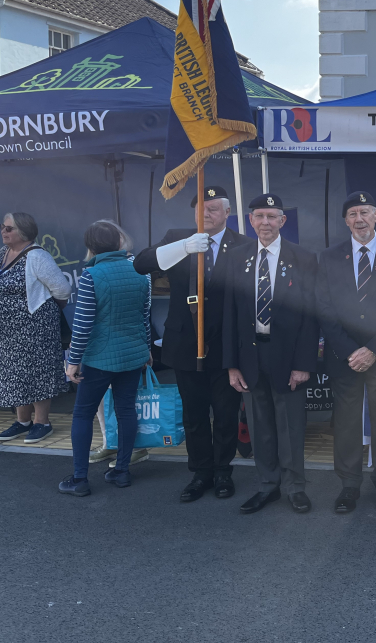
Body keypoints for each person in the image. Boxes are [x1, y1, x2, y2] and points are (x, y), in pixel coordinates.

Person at [134, 185, 253, 503]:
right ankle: (201, 473)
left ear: (228, 212)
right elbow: (142, 264)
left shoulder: (243, 245)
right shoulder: (178, 236)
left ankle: (223, 471)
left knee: (226, 415)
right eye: (201, 208)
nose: (206, 213)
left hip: (226, 347)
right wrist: (184, 247)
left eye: (213, 208)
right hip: (186, 343)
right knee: (194, 414)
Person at [222, 194, 319, 515]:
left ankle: (295, 487)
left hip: (289, 359)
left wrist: (304, 364)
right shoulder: (236, 258)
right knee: (260, 425)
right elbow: (229, 315)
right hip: (250, 358)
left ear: (282, 221)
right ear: (250, 220)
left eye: (271, 216)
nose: (265, 222)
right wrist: (231, 365)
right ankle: (268, 486)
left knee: (290, 427)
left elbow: (310, 316)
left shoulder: (303, 258)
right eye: (259, 216)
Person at [316, 191, 376, 514]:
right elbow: (324, 309)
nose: (359, 219)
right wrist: (350, 351)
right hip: (345, 358)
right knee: (346, 422)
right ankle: (349, 485)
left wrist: (373, 349)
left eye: (365, 212)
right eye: (353, 214)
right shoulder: (329, 257)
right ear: (346, 220)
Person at [60, 221, 152, 496]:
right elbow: (144, 316)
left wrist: (73, 360)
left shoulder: (91, 275)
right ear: (118, 242)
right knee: (126, 410)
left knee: (83, 413)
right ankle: (122, 472)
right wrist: (147, 349)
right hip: (134, 354)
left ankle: (80, 479)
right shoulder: (140, 273)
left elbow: (83, 324)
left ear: (90, 246)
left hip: (99, 358)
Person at [0, 212, 72, 445]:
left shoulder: (38, 256)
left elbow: (62, 290)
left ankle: (42, 422)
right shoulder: (3, 254)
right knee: (15, 374)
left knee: (38, 373)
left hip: (36, 327)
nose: (4, 232)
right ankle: (23, 422)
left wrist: (42, 311)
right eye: (3, 227)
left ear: (23, 232)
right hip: (9, 330)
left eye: (9, 228)